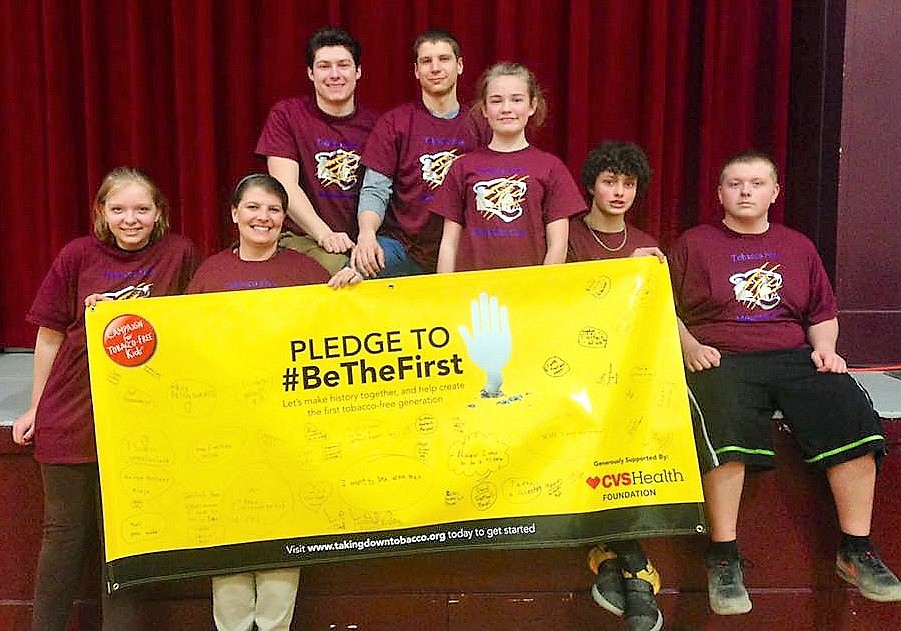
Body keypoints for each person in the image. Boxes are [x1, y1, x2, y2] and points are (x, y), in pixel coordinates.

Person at [670, 150, 901, 615]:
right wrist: (689, 346)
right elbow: (663, 308)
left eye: (756, 184)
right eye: (735, 184)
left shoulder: (797, 246)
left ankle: (855, 550)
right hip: (722, 358)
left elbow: (821, 313)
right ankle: (724, 556)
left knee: (850, 409)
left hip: (793, 357)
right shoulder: (694, 244)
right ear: (720, 194)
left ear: (774, 193)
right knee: (722, 419)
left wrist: (825, 349)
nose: (745, 192)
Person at [11, 167, 199, 631]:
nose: (130, 219)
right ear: (101, 213)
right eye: (118, 209)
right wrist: (37, 405)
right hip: (73, 412)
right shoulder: (76, 255)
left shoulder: (180, 254)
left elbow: (195, 328)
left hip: (141, 421)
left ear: (159, 215)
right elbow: (50, 335)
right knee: (63, 541)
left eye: (141, 209)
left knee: (125, 546)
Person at [187, 174, 354, 631]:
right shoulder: (210, 274)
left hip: (287, 429)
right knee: (230, 535)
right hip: (226, 428)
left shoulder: (306, 274)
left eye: (274, 210)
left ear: (285, 219)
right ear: (235, 214)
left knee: (283, 536)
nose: (264, 218)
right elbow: (188, 344)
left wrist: (350, 292)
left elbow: (341, 334)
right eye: (254, 208)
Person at [569, 141, 664, 631]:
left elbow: (657, 322)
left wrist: (655, 274)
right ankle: (635, 565)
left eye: (628, 184)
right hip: (572, 370)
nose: (619, 191)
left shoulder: (646, 245)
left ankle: (613, 556)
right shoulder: (564, 237)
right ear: (590, 185)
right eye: (610, 181)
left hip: (630, 374)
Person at [351, 28, 491, 278]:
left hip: (465, 251)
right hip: (402, 248)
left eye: (444, 59)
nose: (435, 68)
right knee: (350, 279)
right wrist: (367, 234)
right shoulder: (395, 122)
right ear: (416, 71)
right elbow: (375, 189)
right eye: (426, 61)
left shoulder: (482, 122)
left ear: (459, 65)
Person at [433, 61, 585, 274]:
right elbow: (449, 243)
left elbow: (558, 245)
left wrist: (541, 289)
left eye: (516, 100)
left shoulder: (551, 167)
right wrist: (445, 292)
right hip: (472, 291)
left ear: (532, 106)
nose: (506, 109)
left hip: (528, 292)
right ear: (484, 109)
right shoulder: (462, 166)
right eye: (496, 101)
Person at [255, 26, 379, 274]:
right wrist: (325, 234)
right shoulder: (287, 116)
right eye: (324, 66)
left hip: (360, 242)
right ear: (310, 73)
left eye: (343, 65)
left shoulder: (377, 125)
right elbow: (284, 186)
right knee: (343, 272)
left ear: (358, 71)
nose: (334, 74)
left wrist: (367, 238)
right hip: (301, 238)